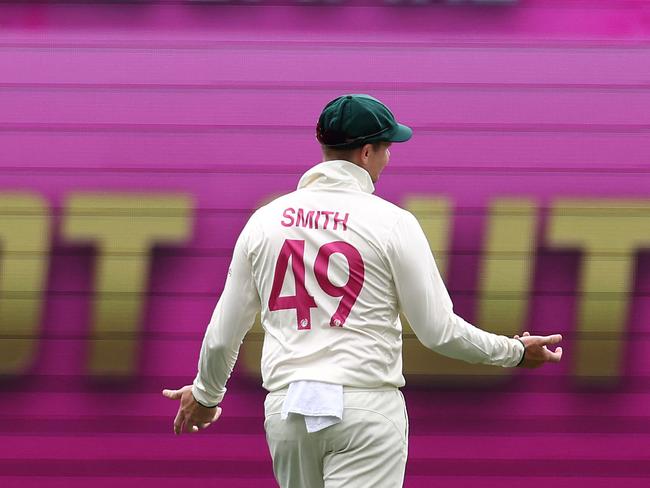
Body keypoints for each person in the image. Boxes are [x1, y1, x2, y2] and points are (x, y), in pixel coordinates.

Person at [162, 94, 563, 488]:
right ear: (367, 152)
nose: (389, 158)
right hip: (365, 408)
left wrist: (206, 395)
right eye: (387, 147)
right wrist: (513, 353)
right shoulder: (392, 222)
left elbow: (222, 337)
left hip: (287, 412)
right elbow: (438, 331)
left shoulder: (265, 221)